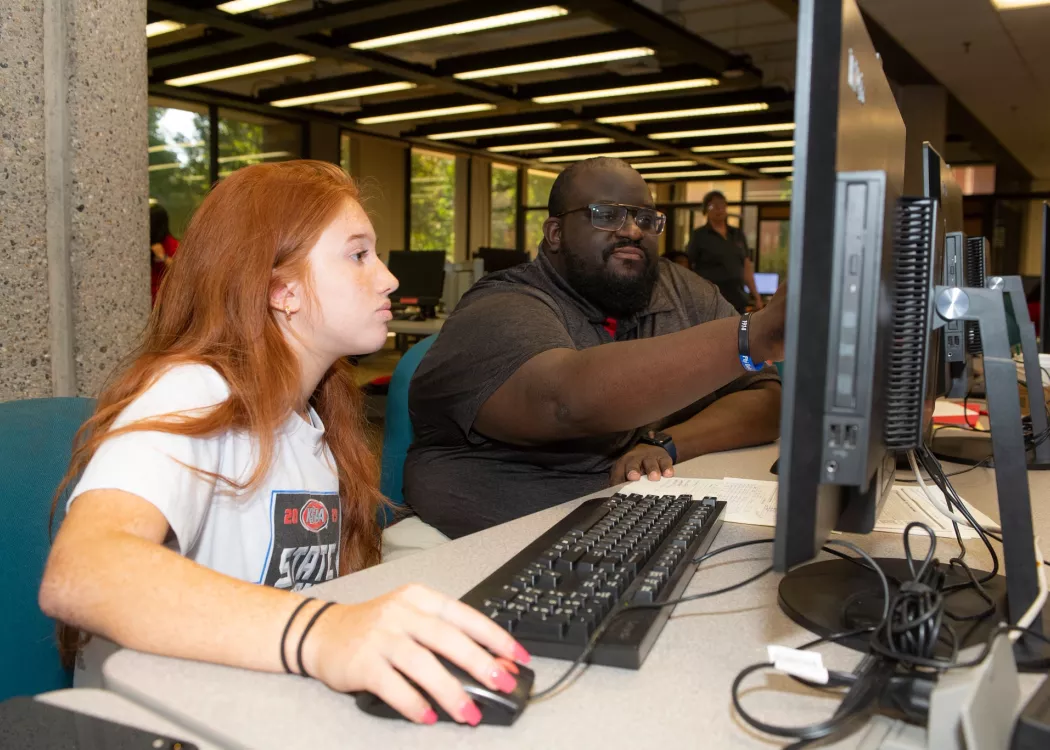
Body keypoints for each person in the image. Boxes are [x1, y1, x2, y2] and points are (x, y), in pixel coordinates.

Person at [39, 161, 527, 727]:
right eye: (358, 254)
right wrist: (320, 633)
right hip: (160, 723)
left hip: (255, 712)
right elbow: (82, 572)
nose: (389, 279)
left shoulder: (315, 424)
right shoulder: (194, 391)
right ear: (283, 290)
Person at [404, 157, 785, 539]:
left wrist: (666, 444)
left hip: (628, 527)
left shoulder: (680, 290)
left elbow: (767, 401)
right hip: (485, 544)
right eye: (607, 215)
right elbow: (564, 400)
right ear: (554, 232)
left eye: (646, 219)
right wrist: (754, 334)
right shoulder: (501, 305)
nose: (633, 231)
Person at [685, 191, 763, 313]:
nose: (719, 210)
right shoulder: (699, 235)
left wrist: (756, 296)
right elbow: (688, 266)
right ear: (706, 210)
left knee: (738, 330)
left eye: (722, 205)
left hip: (738, 298)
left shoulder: (737, 234)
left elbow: (746, 266)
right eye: (713, 206)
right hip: (711, 300)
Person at [149, 203, 179, 306]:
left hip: (163, 301)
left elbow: (179, 270)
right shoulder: (144, 242)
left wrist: (163, 257)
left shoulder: (171, 244)